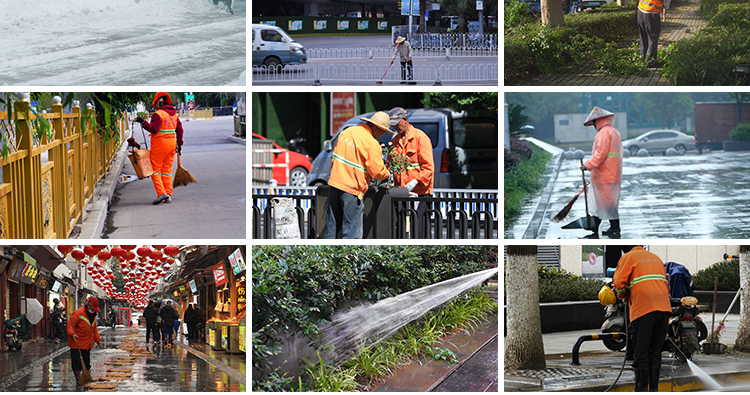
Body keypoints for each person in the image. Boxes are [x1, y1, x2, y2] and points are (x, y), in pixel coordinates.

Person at [324, 111, 392, 239]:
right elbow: (377, 172)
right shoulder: (371, 143)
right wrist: (387, 175)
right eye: (383, 131)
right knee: (352, 233)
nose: (382, 135)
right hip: (352, 188)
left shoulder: (346, 132)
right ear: (377, 128)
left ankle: (325, 257)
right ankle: (349, 258)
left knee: (331, 229)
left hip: (334, 184)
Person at [613, 246, 671, 392]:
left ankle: (641, 389)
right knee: (655, 352)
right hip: (664, 308)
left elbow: (619, 283)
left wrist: (623, 295)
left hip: (644, 309)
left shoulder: (627, 258)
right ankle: (654, 389)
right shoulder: (655, 257)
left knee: (641, 352)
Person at [388, 107, 435, 238]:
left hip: (420, 193)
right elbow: (390, 164)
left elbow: (428, 167)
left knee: (420, 232)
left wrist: (416, 180)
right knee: (401, 231)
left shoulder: (421, 138)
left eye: (397, 124)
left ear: (405, 120)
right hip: (401, 193)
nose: (395, 127)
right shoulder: (395, 141)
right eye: (393, 125)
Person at [134, 92, 184, 205]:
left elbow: (154, 129)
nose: (154, 106)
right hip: (172, 146)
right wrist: (179, 144)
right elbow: (180, 130)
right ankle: (168, 194)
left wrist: (143, 122)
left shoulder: (158, 114)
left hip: (160, 146)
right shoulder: (174, 114)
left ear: (158, 102)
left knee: (154, 169)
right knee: (167, 170)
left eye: (155, 103)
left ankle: (161, 193)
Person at [580, 106, 623, 236]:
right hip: (613, 174)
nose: (593, 125)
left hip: (604, 175)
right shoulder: (614, 132)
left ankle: (609, 228)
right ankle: (597, 227)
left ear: (599, 121)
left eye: (594, 122)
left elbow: (600, 154)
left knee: (605, 203)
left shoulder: (603, 134)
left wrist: (587, 165)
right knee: (607, 203)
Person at [66, 297, 102, 386]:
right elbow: (70, 324)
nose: (93, 311)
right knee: (77, 363)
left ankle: (87, 377)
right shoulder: (78, 313)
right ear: (88, 306)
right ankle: (78, 379)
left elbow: (94, 329)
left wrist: (97, 340)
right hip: (76, 343)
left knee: (86, 362)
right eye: (93, 309)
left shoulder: (92, 316)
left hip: (87, 344)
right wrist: (72, 333)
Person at [637, 0, 670, 67]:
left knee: (643, 36)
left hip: (640, 10)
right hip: (652, 13)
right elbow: (666, 5)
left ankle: (642, 58)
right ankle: (650, 62)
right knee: (652, 38)